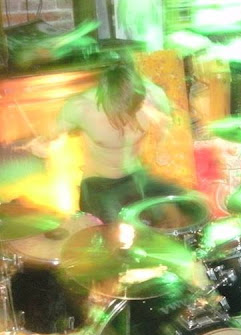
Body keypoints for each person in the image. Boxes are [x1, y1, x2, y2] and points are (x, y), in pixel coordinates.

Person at [25, 57, 184, 223]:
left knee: (188, 204)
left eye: (129, 113)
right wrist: (45, 146)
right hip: (98, 184)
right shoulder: (80, 107)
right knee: (114, 231)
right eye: (116, 114)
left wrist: (161, 143)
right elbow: (54, 136)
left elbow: (166, 123)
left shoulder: (154, 97)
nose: (124, 122)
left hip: (136, 175)